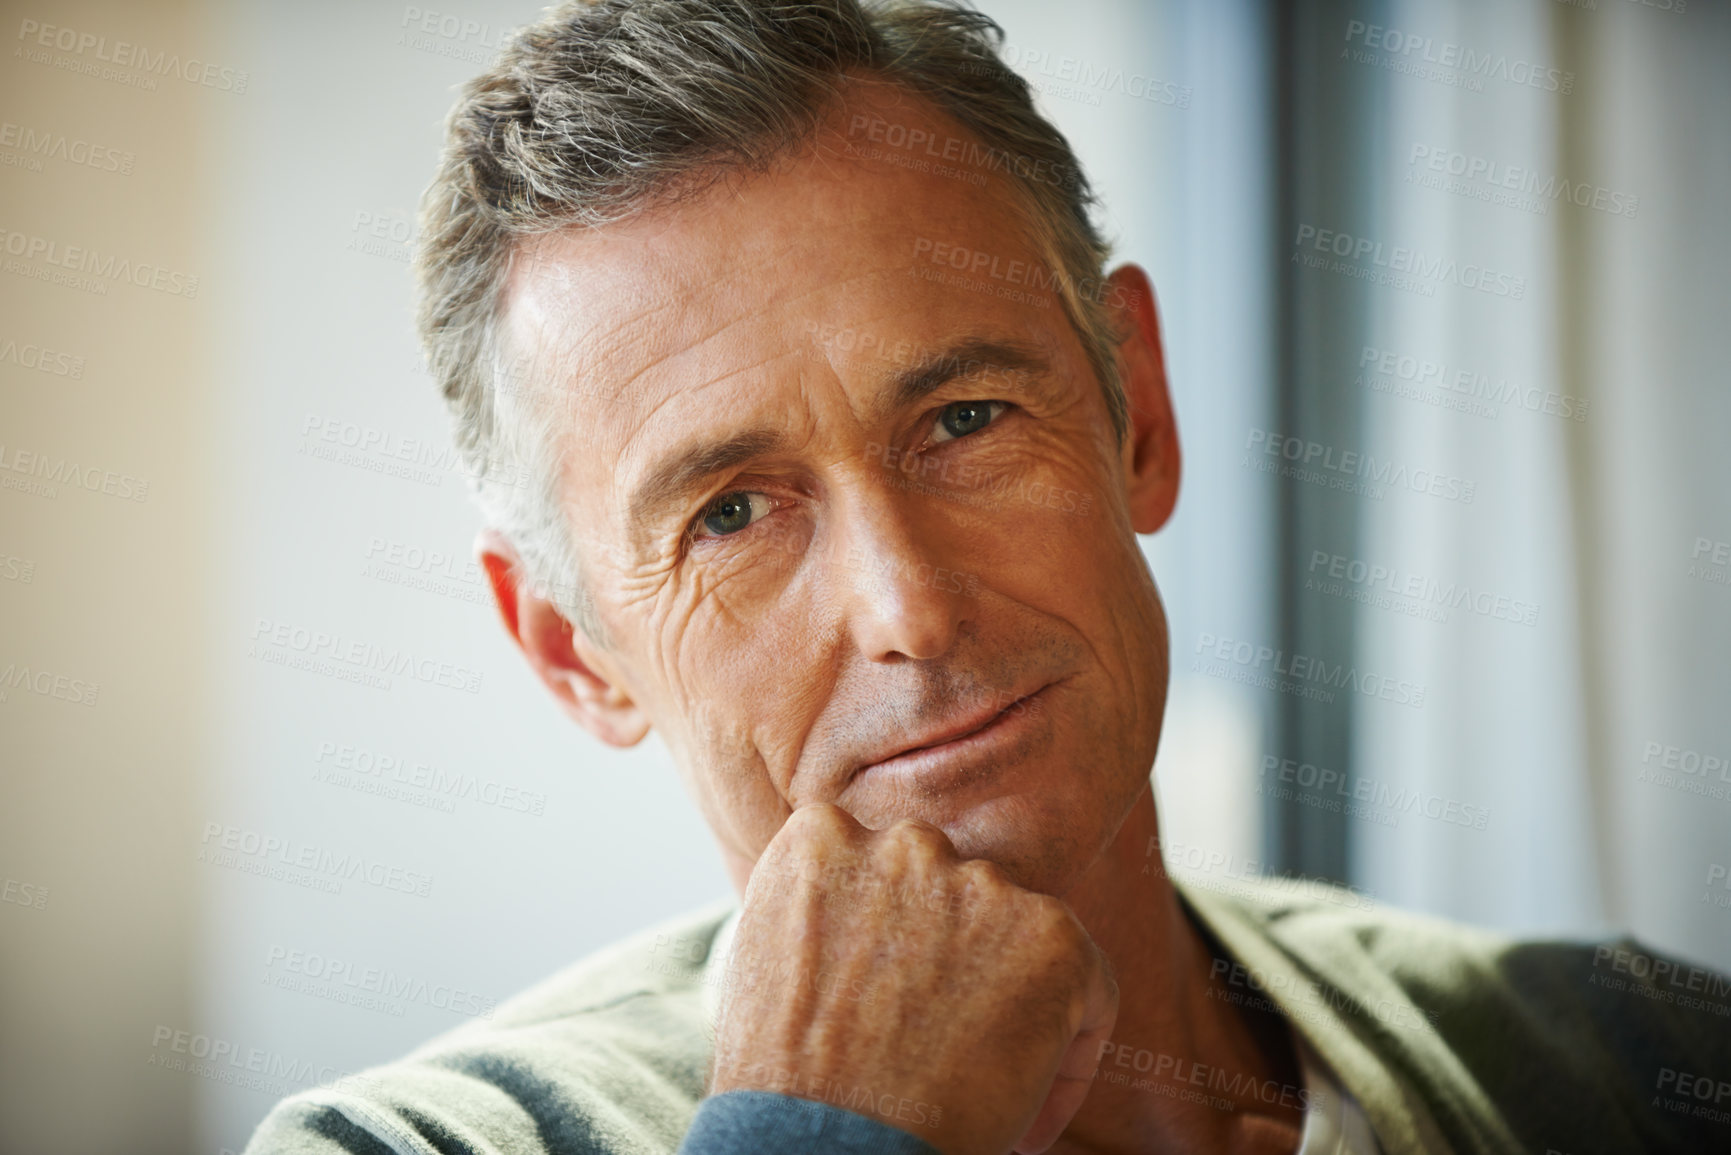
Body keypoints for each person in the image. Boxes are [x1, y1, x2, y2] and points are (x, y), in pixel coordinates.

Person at [243, 1, 1731, 1152]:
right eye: (732, 514)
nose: (908, 607)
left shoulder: (1629, 1062)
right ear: (577, 654)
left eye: (962, 422)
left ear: (1134, 412)